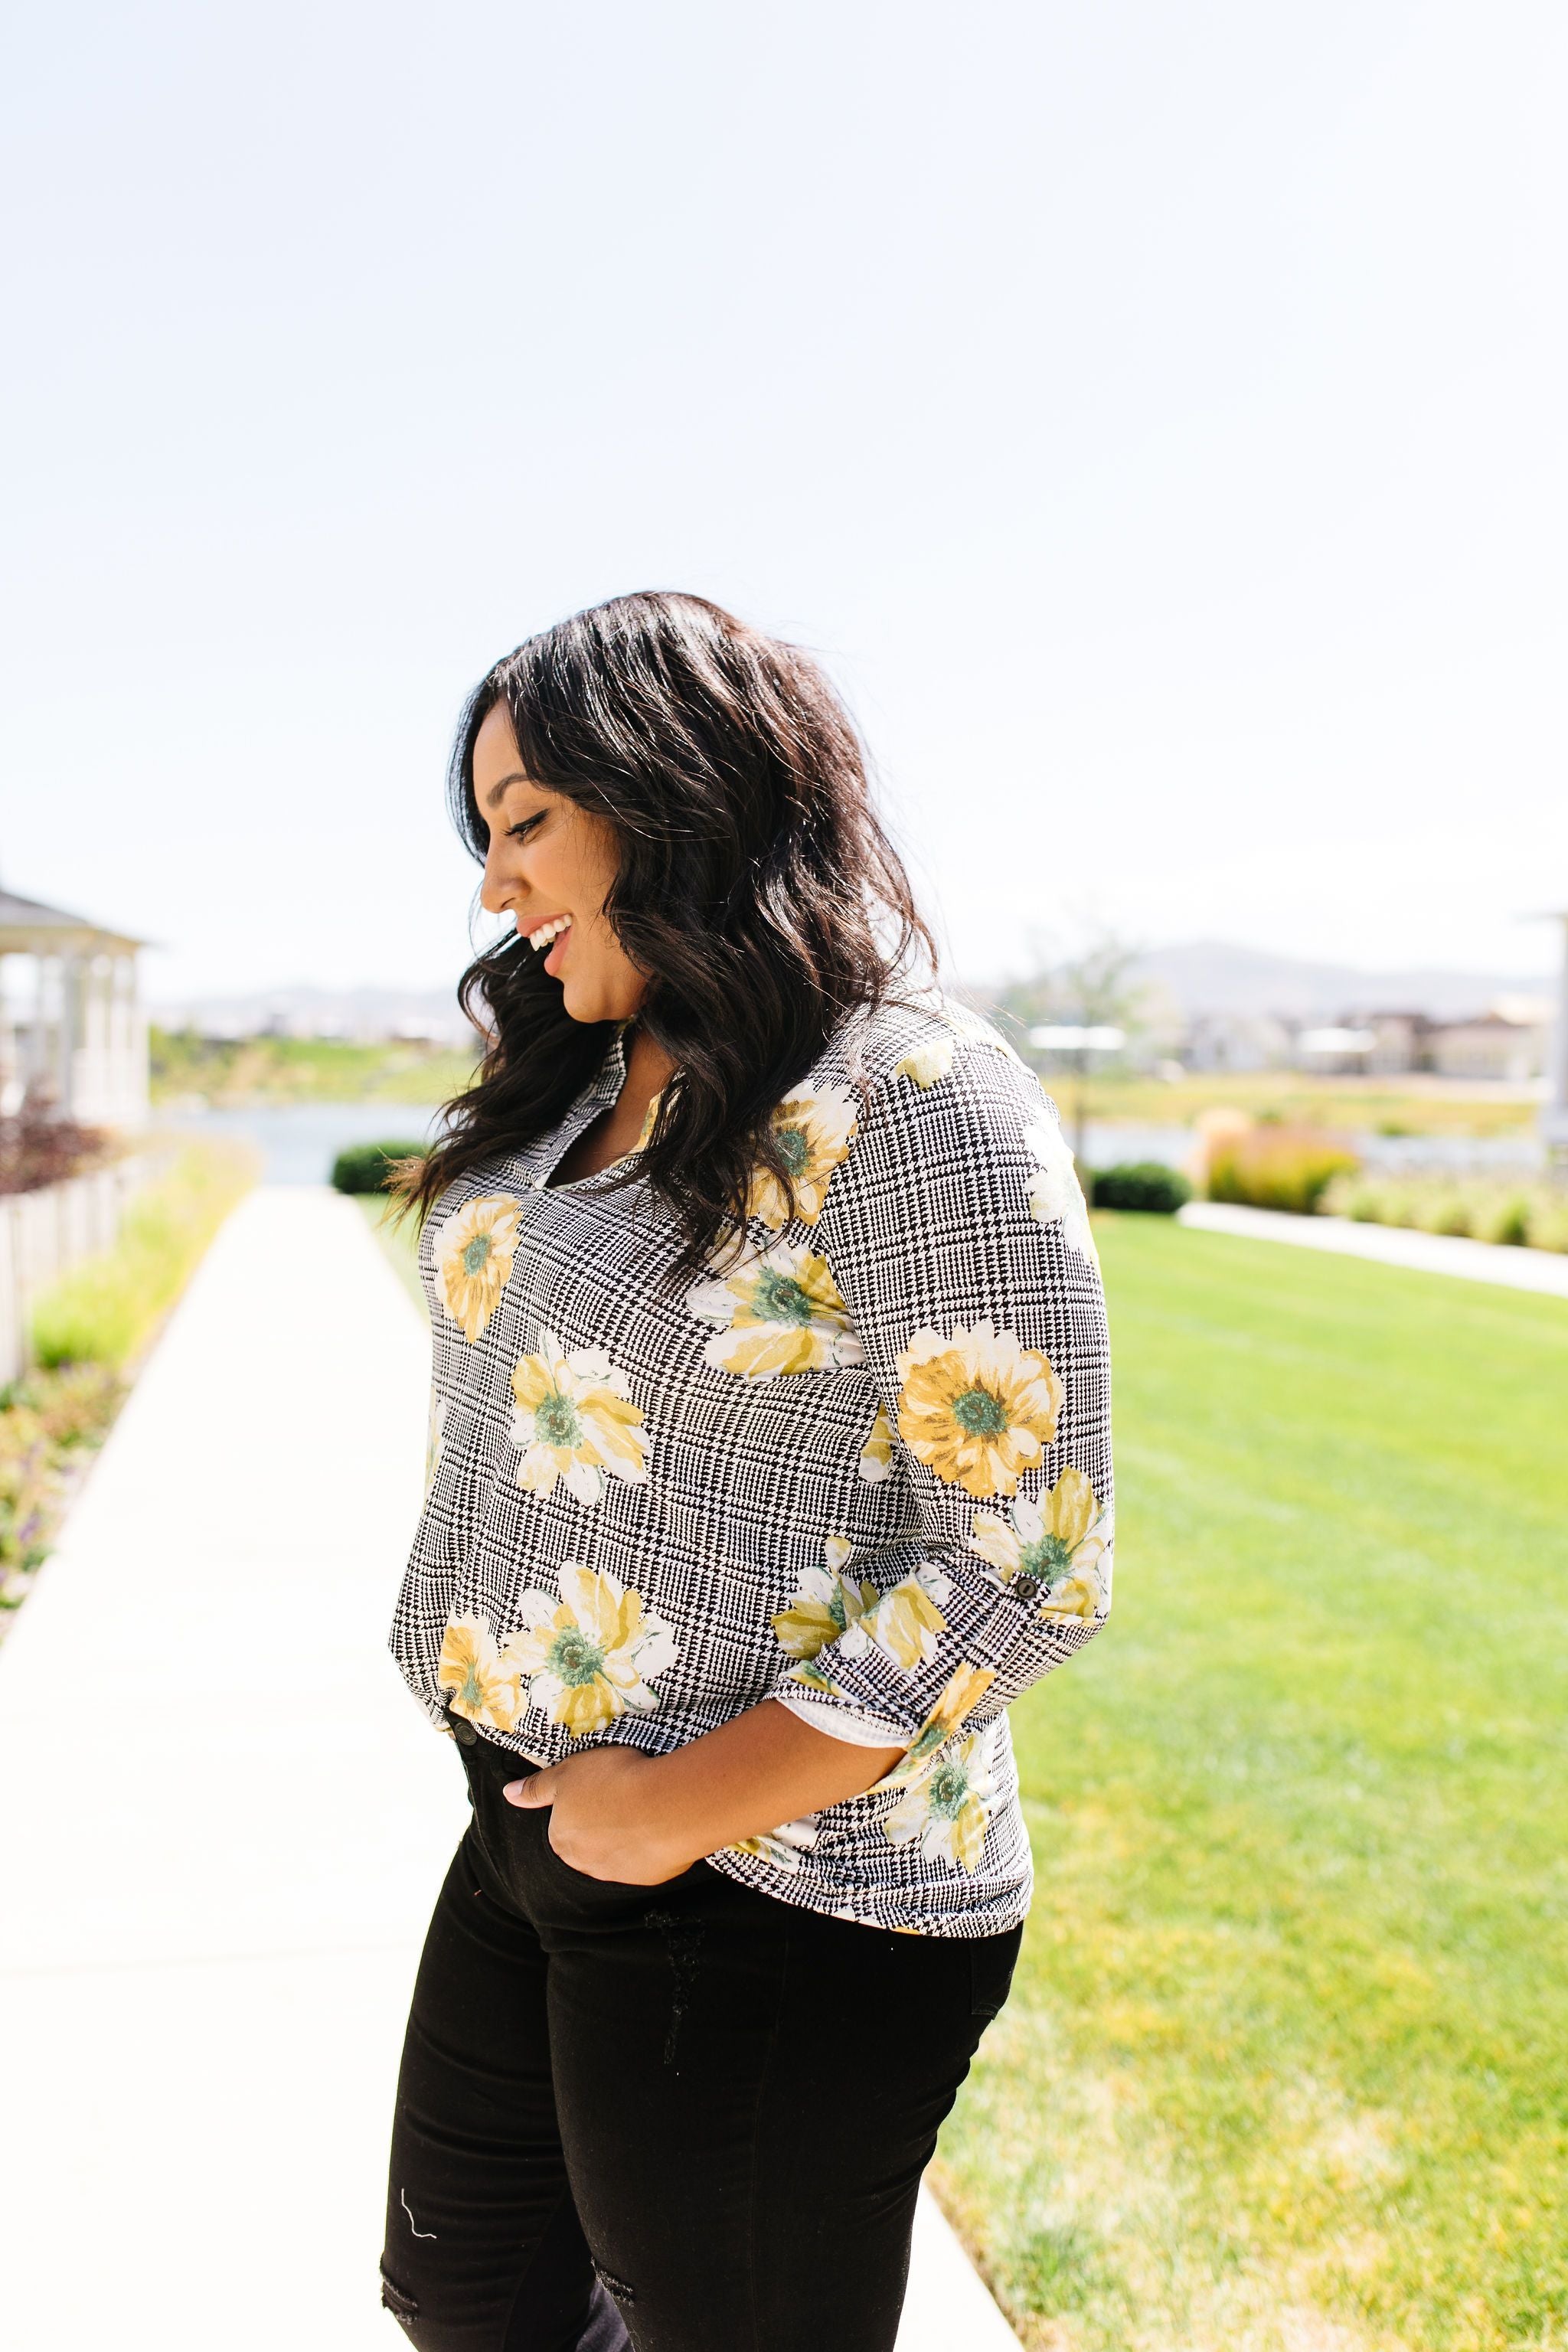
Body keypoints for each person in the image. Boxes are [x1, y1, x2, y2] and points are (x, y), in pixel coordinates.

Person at [381, 591, 1114, 2352]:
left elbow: (1028, 1554)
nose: (496, 887)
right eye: (486, 839)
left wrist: (667, 1815)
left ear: (671, 786)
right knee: (465, 2291)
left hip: (784, 1882)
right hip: (541, 1818)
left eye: (524, 825)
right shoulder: (582, 1073)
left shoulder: (911, 1089)